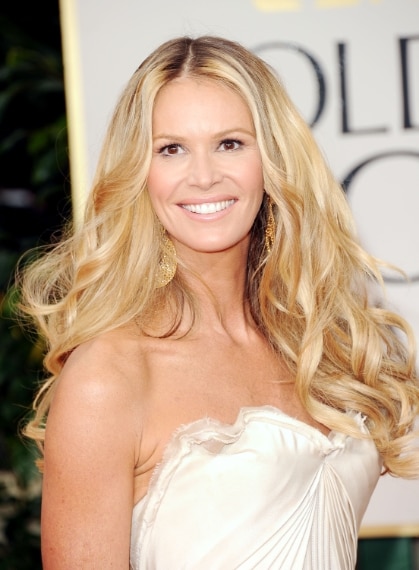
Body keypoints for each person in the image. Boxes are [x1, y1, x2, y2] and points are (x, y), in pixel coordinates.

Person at [17, 35, 419, 570]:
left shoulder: (322, 345)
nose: (204, 176)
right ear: (139, 172)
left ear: (271, 157)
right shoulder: (109, 378)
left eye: (229, 143)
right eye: (171, 149)